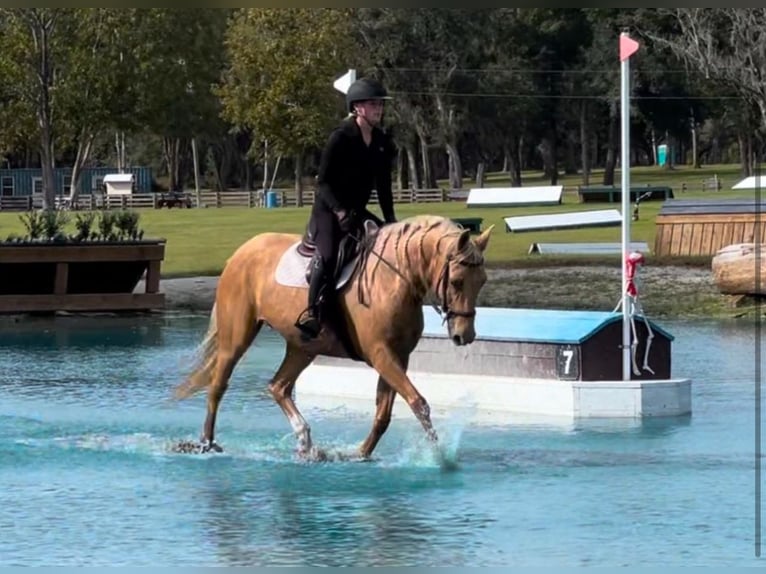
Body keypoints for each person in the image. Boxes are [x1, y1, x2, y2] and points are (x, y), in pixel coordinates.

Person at [294, 77, 398, 339]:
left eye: (380, 105)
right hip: (328, 211)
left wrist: (391, 221)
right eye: (373, 104)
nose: (379, 109)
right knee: (328, 256)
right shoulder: (340, 138)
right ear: (358, 108)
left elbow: (384, 188)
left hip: (356, 210)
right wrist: (339, 211)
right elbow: (323, 183)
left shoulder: (381, 142)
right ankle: (313, 314)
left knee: (386, 247)